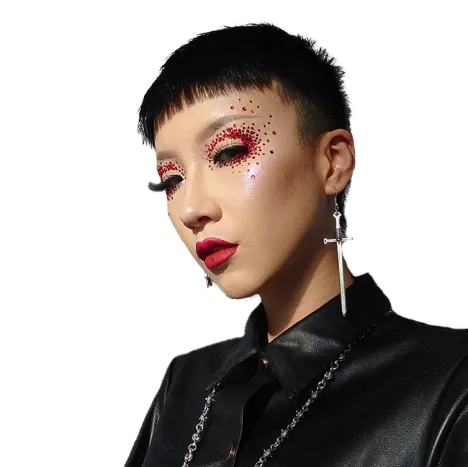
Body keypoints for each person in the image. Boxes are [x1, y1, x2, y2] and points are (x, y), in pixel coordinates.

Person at [128, 23, 467, 466]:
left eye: (229, 153)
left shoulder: (450, 387)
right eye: (172, 179)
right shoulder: (187, 383)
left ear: (333, 161)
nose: (191, 209)